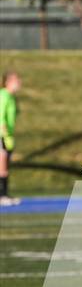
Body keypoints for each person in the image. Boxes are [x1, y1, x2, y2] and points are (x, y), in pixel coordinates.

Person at [0, 71, 21, 206]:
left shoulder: (12, 97)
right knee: (2, 166)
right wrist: (3, 129)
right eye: (15, 80)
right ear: (7, 82)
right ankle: (2, 196)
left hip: (8, 137)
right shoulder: (3, 96)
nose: (19, 82)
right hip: (2, 136)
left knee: (5, 166)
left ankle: (5, 195)